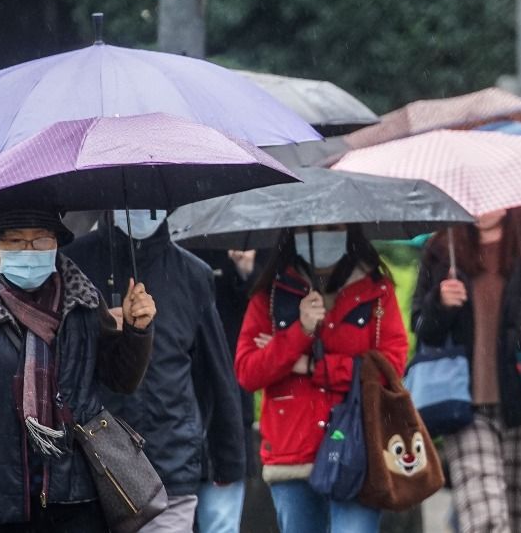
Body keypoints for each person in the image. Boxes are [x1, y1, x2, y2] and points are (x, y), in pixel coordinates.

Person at [0, 209, 156, 532]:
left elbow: (122, 379)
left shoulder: (84, 301)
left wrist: (137, 330)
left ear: (57, 243)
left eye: (41, 240)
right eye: (16, 240)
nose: (29, 251)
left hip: (76, 497)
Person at [63, 209, 245, 532]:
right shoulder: (71, 265)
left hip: (169, 467)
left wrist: (228, 460)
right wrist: (101, 327)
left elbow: (216, 372)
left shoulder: (193, 273)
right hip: (93, 466)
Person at [235, 224, 408, 533]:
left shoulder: (377, 291)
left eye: (333, 226)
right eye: (311, 227)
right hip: (292, 449)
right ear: (294, 231)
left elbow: (390, 368)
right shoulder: (270, 295)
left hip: (359, 447)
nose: (323, 232)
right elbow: (248, 372)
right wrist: (298, 331)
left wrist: (314, 367)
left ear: (350, 229)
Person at [411, 206, 521, 533]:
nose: (482, 209)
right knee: (485, 519)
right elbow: (421, 327)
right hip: (465, 405)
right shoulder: (440, 250)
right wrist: (440, 303)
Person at [186, 248, 261, 533]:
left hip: (228, 410)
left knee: (222, 524)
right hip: (175, 415)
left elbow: (266, 314)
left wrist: (247, 273)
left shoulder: (248, 245)